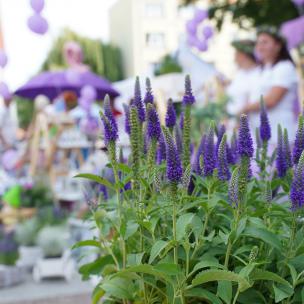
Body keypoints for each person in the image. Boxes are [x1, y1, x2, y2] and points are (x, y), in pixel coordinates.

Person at [241, 26, 299, 144]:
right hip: (257, 135)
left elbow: (271, 100)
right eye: (258, 43)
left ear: (278, 46)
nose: (260, 47)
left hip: (278, 135)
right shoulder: (260, 70)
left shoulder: (285, 67)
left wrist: (244, 108)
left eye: (265, 42)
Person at [227, 39, 259, 116]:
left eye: (236, 53)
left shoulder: (258, 74)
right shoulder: (239, 73)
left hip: (245, 123)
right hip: (231, 121)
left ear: (244, 55)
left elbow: (254, 102)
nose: (234, 58)